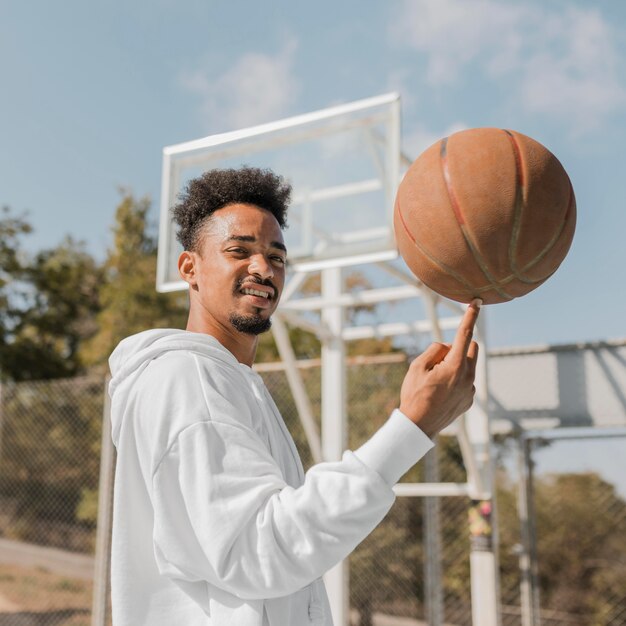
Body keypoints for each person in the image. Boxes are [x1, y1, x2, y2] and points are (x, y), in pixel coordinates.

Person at [107, 166, 480, 626]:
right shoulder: (187, 377)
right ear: (190, 268)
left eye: (276, 257)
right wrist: (410, 427)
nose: (263, 268)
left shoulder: (232, 382)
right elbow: (263, 550)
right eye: (238, 251)